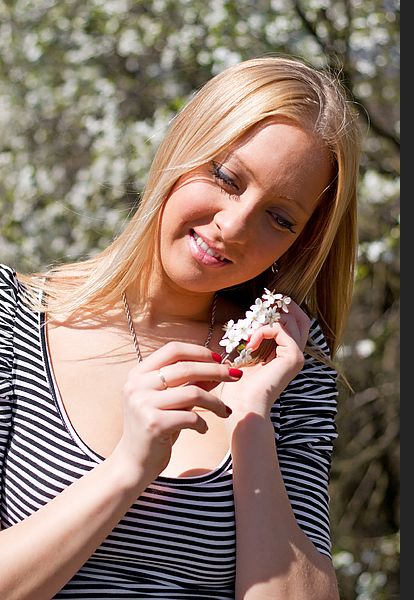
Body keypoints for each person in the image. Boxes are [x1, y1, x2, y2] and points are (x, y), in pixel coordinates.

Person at [0, 55, 360, 599]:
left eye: (280, 218)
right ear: (181, 148)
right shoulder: (15, 320)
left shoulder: (294, 371)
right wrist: (127, 469)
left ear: (300, 242)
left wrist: (252, 422)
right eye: (226, 178)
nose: (234, 227)